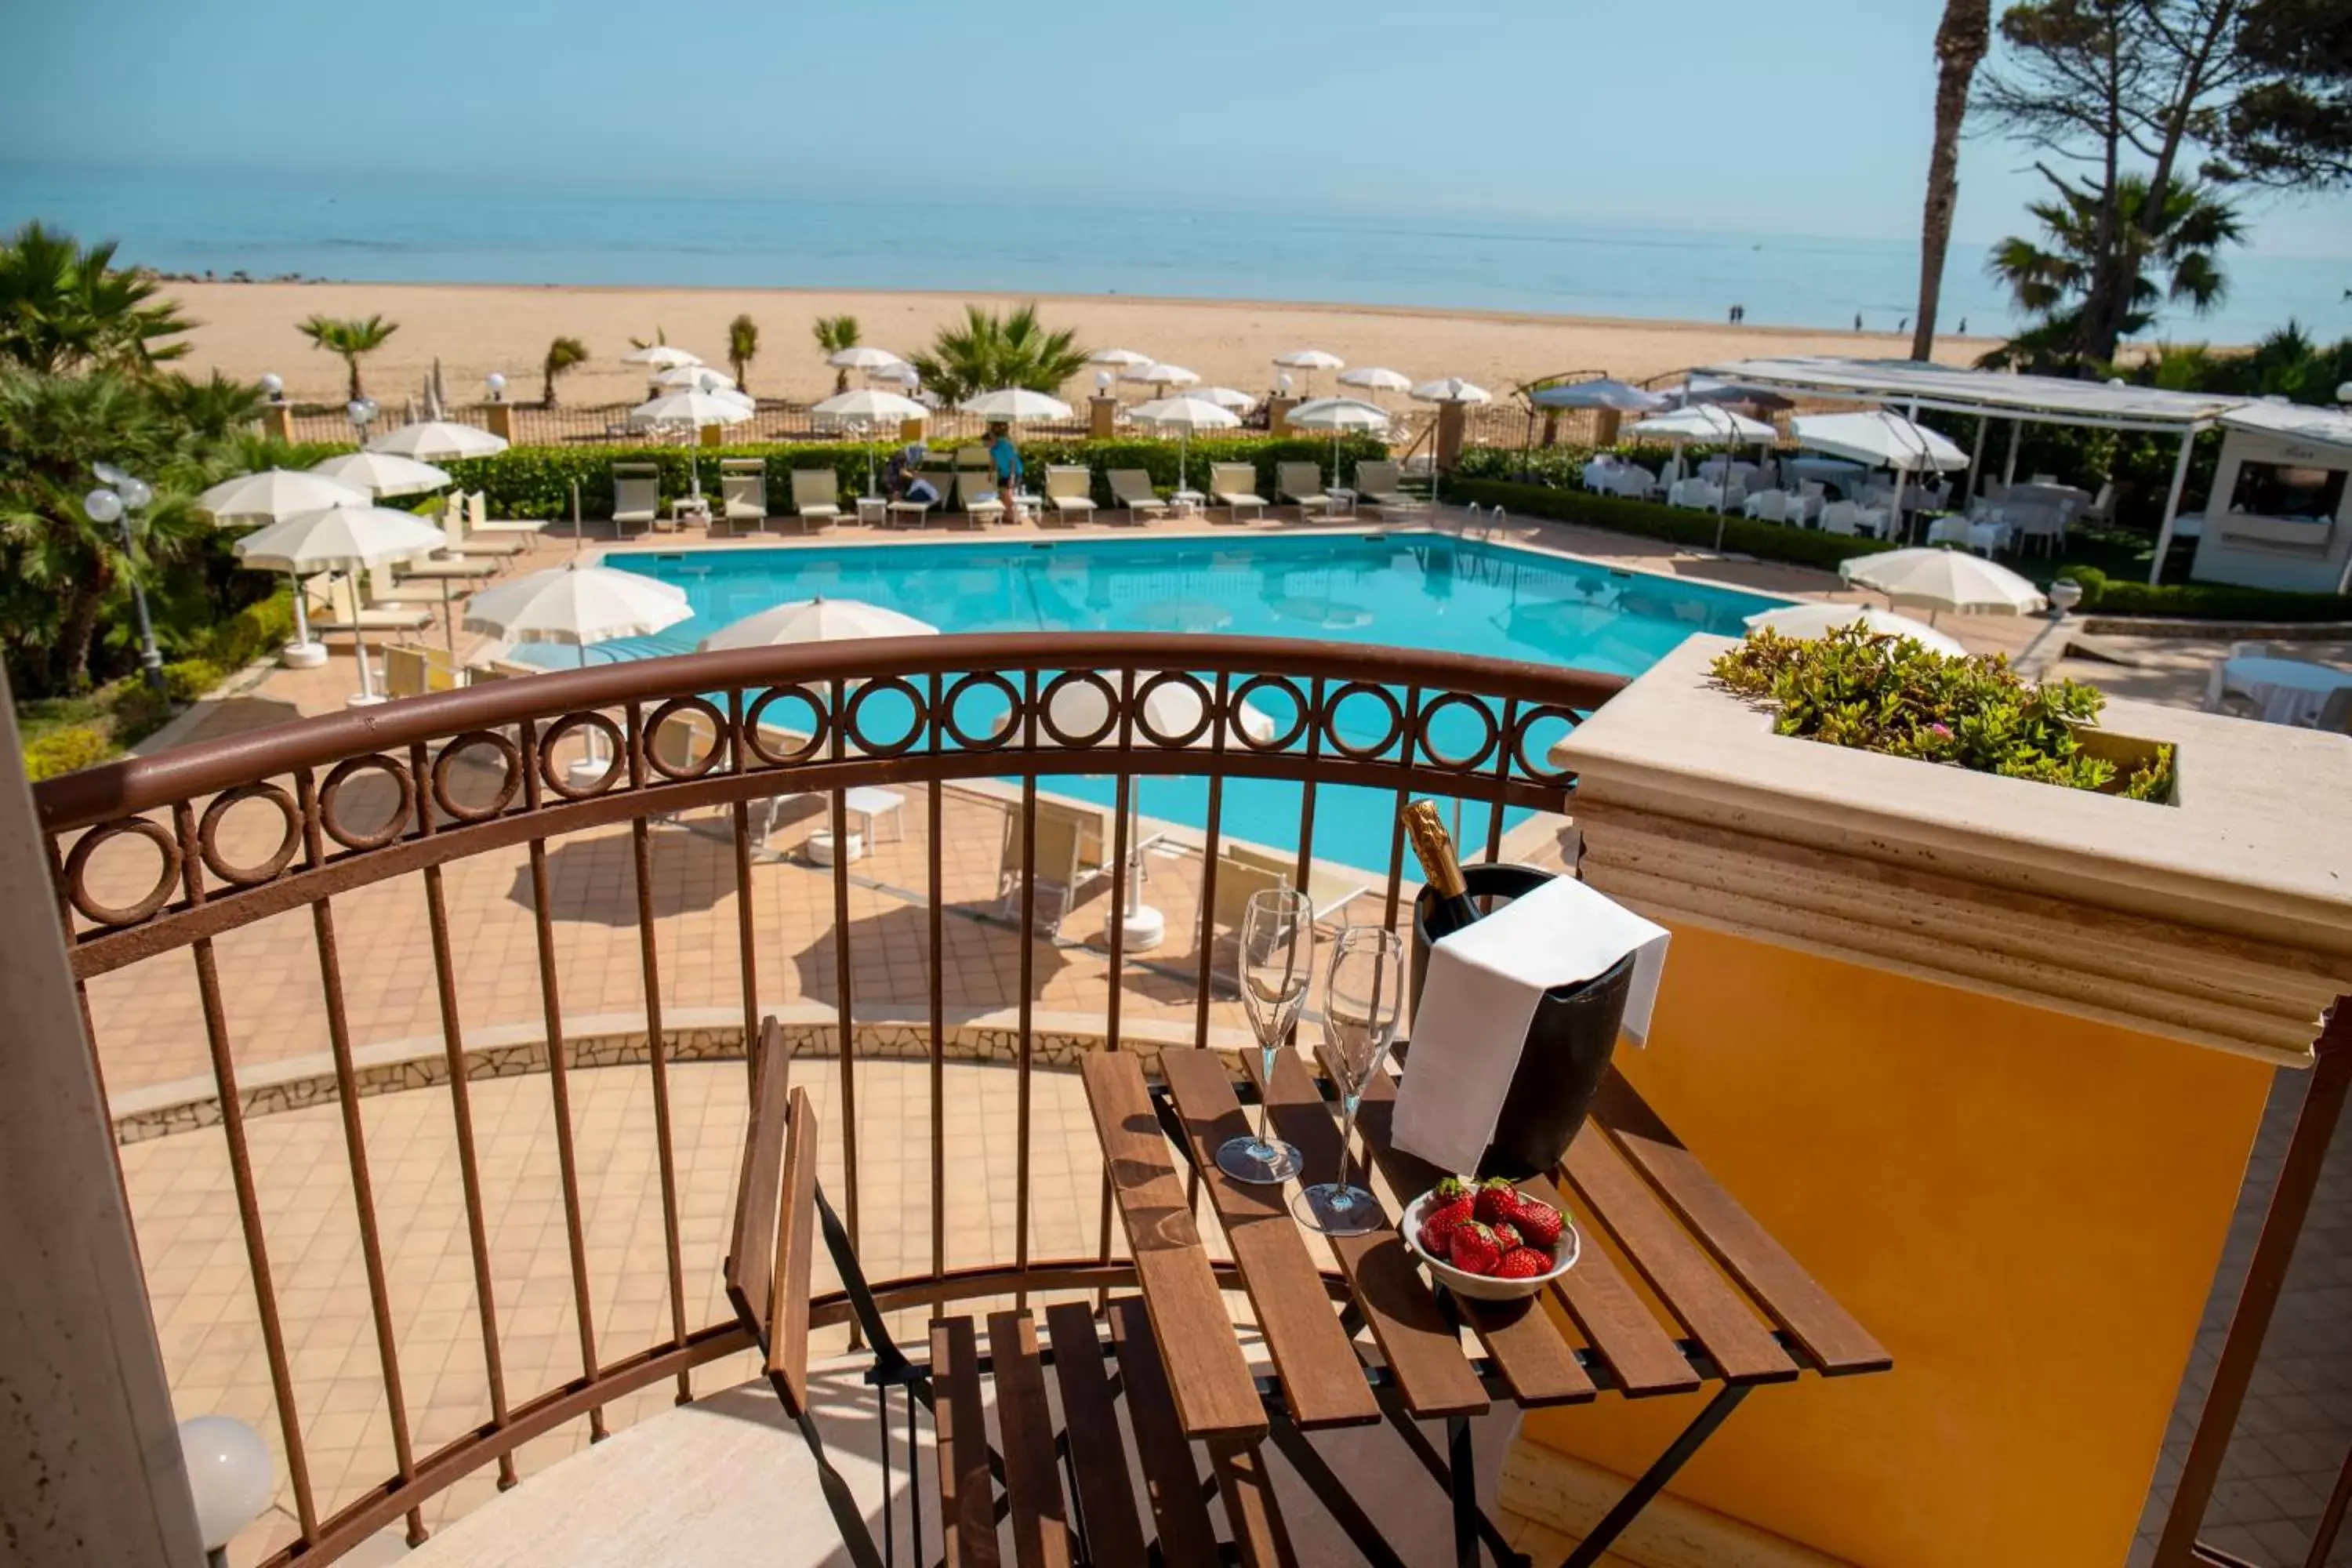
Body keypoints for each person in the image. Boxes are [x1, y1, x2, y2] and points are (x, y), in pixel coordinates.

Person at [987, 423, 1022, 521]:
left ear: (994, 439)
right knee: (1002, 495)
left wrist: (1012, 477)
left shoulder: (1005, 446)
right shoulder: (993, 449)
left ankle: (1015, 515)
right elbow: (993, 462)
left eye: (989, 442)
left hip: (1014, 472)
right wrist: (990, 474)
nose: (988, 444)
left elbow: (1012, 461)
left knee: (1007, 494)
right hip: (1003, 473)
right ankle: (1006, 516)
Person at [884, 440, 936, 504]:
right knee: (921, 482)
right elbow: (902, 472)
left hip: (896, 485)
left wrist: (914, 473)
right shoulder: (901, 456)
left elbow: (907, 469)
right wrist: (914, 477)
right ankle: (935, 496)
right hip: (892, 483)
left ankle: (935, 496)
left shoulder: (905, 457)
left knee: (921, 483)